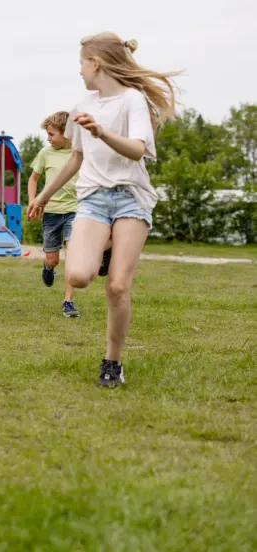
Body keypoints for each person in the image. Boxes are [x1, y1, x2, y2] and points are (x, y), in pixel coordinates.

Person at [29, 33, 180, 387]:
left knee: (116, 287)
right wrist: (45, 195)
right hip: (94, 198)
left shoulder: (133, 101)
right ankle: (106, 245)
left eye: (81, 63)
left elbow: (137, 149)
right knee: (79, 275)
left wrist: (102, 132)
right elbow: (76, 158)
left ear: (95, 63)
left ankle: (112, 362)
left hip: (130, 197)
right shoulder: (82, 102)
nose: (79, 70)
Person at [28, 111, 81, 318]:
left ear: (66, 134)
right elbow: (33, 179)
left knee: (73, 256)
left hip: (74, 211)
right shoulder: (45, 153)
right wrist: (33, 200)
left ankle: (68, 301)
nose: (48, 138)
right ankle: (48, 268)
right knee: (53, 259)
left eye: (51, 134)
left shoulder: (79, 153)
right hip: (51, 213)